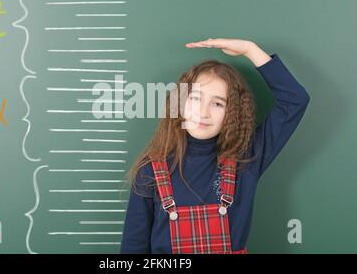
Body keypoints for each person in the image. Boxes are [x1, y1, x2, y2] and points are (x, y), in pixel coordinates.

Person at [120, 38, 310, 254]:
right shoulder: (150, 171)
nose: (203, 112)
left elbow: (295, 100)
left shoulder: (246, 160)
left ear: (232, 113)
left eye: (218, 103)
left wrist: (250, 49)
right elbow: (133, 248)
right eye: (195, 99)